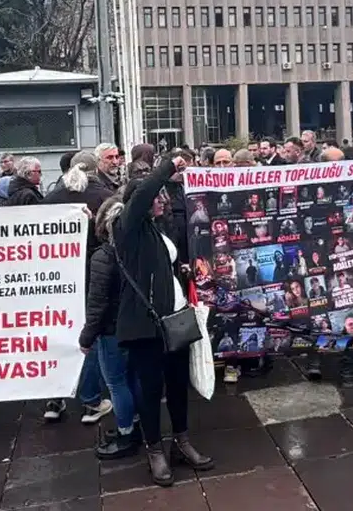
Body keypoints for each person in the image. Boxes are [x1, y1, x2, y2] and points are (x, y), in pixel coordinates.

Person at [110, 153, 212, 486]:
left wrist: (180, 273)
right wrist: (168, 164)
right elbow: (142, 194)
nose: (162, 201)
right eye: (157, 197)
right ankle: (154, 450)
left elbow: (160, 267)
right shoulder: (127, 227)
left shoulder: (156, 229)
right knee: (151, 390)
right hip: (147, 326)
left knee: (178, 385)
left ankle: (181, 441)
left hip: (175, 321)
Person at [41, 152, 115, 425]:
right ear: (95, 170)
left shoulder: (50, 199)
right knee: (90, 334)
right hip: (91, 276)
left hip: (56, 277)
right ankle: (91, 400)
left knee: (56, 332)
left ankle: (54, 398)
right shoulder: (104, 196)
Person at [80, 192, 145, 459]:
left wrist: (86, 337)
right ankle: (136, 424)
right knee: (133, 378)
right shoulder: (137, 250)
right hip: (135, 326)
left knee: (116, 383)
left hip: (111, 331)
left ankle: (125, 433)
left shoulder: (103, 257)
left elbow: (97, 304)